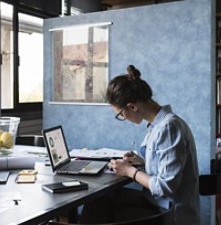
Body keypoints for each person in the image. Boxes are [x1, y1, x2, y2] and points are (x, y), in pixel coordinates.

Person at [81, 65, 200, 225]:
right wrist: (142, 162)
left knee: (97, 208)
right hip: (158, 204)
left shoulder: (168, 127)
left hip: (169, 213)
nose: (123, 118)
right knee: (98, 201)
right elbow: (167, 168)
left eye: (121, 114)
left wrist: (129, 171)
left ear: (131, 106)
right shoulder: (158, 125)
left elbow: (165, 187)